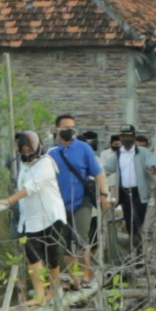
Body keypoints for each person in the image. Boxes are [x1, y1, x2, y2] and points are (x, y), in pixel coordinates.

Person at [0, 131, 67, 305]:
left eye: (30, 148)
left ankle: (54, 287)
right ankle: (39, 295)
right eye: (23, 148)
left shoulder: (46, 163)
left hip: (50, 216)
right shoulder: (23, 165)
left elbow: (31, 187)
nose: (27, 152)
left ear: (37, 147)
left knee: (51, 255)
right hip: (30, 218)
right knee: (32, 256)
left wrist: (10, 200)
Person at [47, 113, 108, 288]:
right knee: (66, 242)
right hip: (59, 204)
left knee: (81, 237)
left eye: (72, 128)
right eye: (66, 128)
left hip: (82, 201)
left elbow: (98, 172)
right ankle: (74, 279)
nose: (69, 131)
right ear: (57, 129)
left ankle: (86, 276)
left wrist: (104, 194)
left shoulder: (84, 149)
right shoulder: (50, 153)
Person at [103, 124, 156, 254]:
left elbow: (153, 163)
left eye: (129, 136)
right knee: (129, 223)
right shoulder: (118, 154)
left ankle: (139, 253)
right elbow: (107, 168)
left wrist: (152, 168)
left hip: (139, 193)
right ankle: (135, 251)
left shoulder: (143, 152)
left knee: (138, 223)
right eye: (123, 136)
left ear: (133, 137)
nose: (126, 138)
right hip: (125, 193)